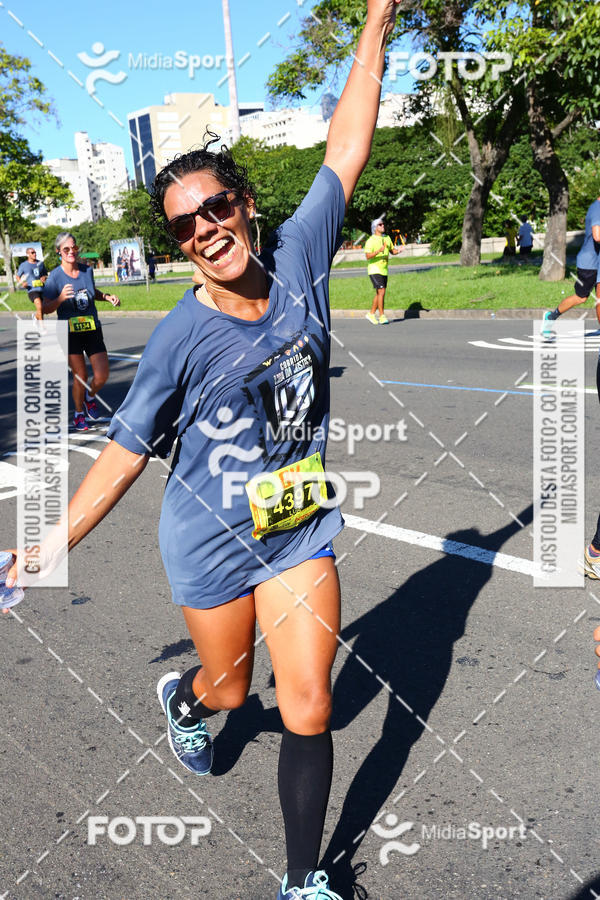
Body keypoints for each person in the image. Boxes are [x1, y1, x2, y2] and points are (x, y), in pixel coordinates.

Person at [5, 3, 401, 897]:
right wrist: (49, 544)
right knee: (232, 693)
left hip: (298, 524)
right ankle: (186, 699)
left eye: (217, 207)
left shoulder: (302, 252)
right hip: (212, 538)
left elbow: (345, 146)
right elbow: (123, 453)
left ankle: (304, 880)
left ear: (245, 205)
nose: (206, 230)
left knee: (310, 701)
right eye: (185, 226)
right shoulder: (183, 334)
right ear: (179, 243)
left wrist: (377, 17)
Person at [42, 232, 120, 432]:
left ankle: (90, 398)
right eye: (66, 249)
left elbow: (92, 293)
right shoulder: (55, 276)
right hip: (69, 332)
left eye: (74, 248)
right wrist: (60, 298)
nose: (71, 252)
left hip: (92, 328)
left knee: (102, 375)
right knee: (81, 375)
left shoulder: (87, 270)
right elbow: (44, 307)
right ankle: (78, 414)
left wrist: (108, 297)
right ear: (59, 252)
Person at [542, 195, 600, 337]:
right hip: (589, 263)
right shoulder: (597, 209)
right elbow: (597, 236)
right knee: (581, 297)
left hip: (597, 261)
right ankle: (551, 316)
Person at [364, 217, 401, 325]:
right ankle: (381, 316)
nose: (383, 226)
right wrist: (378, 251)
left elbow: (392, 251)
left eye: (383, 224)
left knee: (379, 293)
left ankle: (371, 314)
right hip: (374, 269)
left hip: (384, 270)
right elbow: (367, 256)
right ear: (375, 227)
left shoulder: (387, 238)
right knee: (382, 291)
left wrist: (398, 251)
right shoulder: (370, 241)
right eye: (380, 224)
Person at [16, 247, 48, 320]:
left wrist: (44, 277)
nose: (35, 254)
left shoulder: (40, 263)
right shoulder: (23, 265)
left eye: (35, 252)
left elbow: (45, 275)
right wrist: (22, 283)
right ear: (28, 254)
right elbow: (17, 276)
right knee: (39, 306)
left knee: (42, 310)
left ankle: (36, 317)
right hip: (32, 289)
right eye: (32, 252)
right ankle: (42, 327)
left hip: (42, 289)